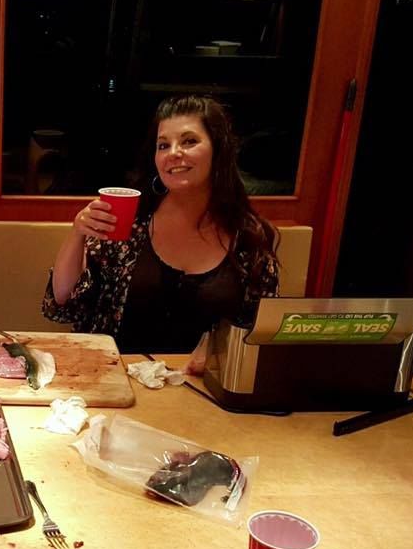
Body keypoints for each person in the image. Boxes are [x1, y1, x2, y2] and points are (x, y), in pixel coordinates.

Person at [42, 94, 279, 365]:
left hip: (207, 390)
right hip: (120, 382)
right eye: (163, 145)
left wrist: (220, 358)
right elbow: (62, 303)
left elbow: (259, 333)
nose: (174, 153)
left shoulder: (247, 235)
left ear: (218, 149)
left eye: (189, 141)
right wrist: (78, 233)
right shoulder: (131, 222)